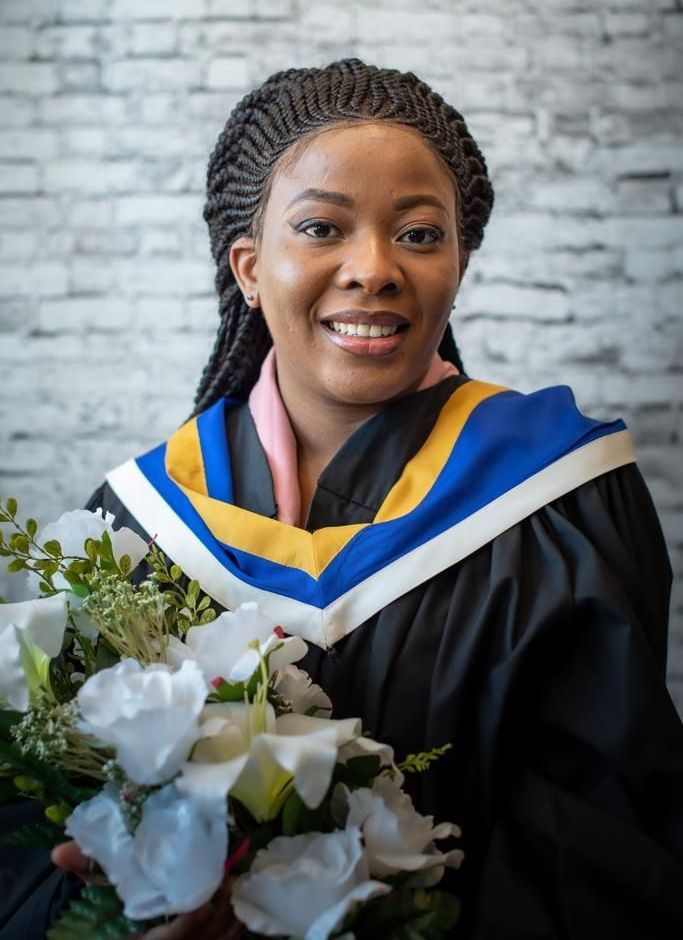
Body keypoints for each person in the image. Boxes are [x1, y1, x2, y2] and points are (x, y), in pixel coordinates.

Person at [3, 58, 682, 939]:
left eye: (420, 233)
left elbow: (606, 849)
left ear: (458, 263)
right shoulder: (141, 523)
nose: (373, 268)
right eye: (322, 227)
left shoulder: (557, 501)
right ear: (249, 268)